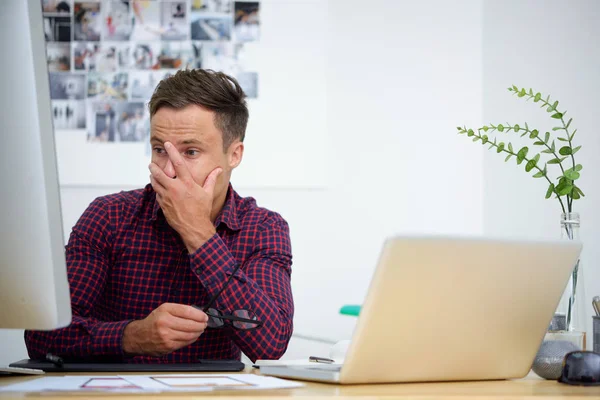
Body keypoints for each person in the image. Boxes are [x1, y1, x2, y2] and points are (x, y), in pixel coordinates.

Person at [25, 70, 294, 363]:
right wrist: (132, 336)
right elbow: (41, 336)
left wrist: (198, 233)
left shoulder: (263, 228)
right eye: (158, 150)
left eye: (190, 152)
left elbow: (271, 344)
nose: (168, 170)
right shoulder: (108, 217)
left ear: (234, 155)